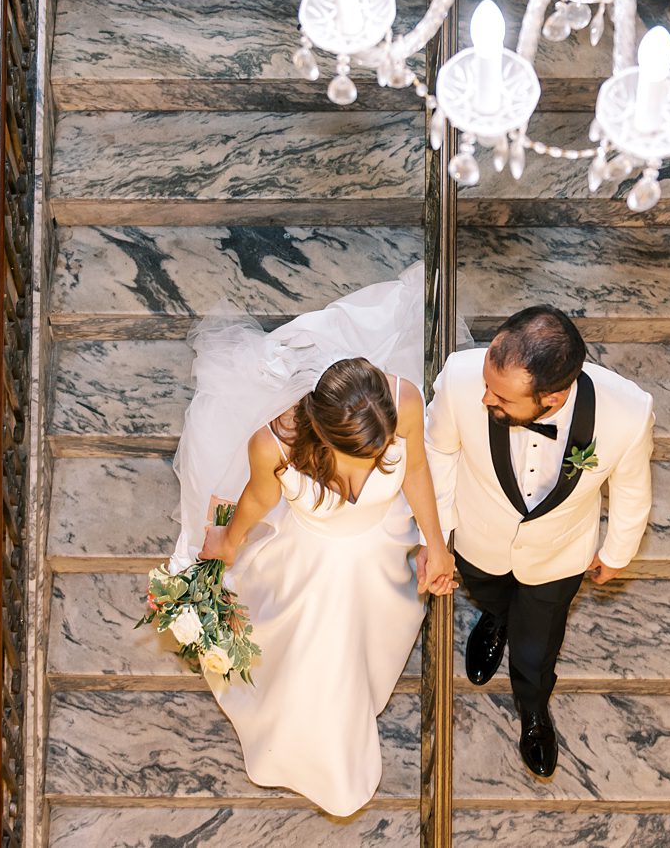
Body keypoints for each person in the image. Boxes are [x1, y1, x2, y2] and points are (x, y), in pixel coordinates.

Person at [169, 264, 457, 817]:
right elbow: (256, 502)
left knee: (363, 646)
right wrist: (225, 547)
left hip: (378, 551)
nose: (373, 464)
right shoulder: (273, 445)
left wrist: (436, 543)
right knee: (314, 657)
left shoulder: (406, 403)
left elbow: (416, 470)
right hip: (305, 562)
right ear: (320, 434)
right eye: (361, 456)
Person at [423, 305, 655, 778]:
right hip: (477, 535)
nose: (485, 398)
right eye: (488, 383)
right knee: (487, 593)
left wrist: (616, 552)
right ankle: (493, 620)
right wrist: (441, 535)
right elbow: (439, 451)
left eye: (502, 398)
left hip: (559, 555)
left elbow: (631, 490)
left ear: (552, 399)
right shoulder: (459, 378)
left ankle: (533, 709)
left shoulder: (627, 413)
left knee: (536, 649)